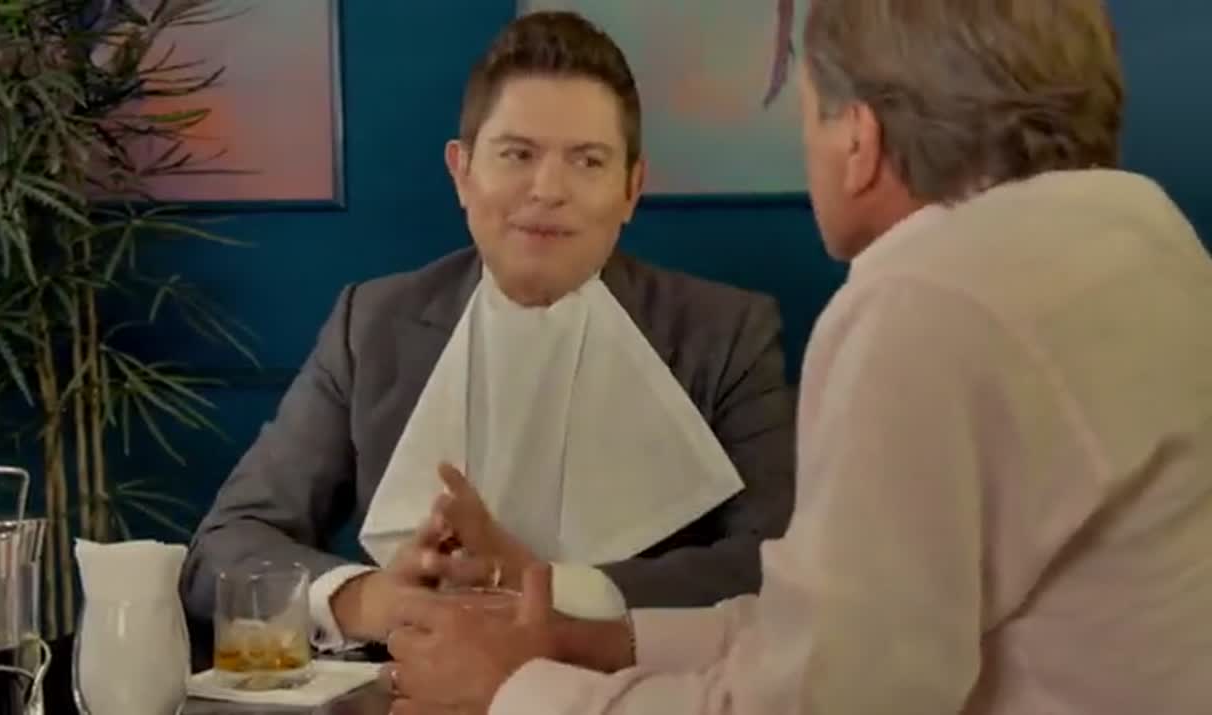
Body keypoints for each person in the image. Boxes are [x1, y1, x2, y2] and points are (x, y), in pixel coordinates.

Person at [381, 0, 1212, 713]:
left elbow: (823, 700)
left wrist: (513, 689)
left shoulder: (926, 298)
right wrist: (598, 639)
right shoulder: (1152, 243)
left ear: (859, 140)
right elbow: (843, 633)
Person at [179, 10, 797, 652]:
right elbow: (224, 545)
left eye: (588, 160)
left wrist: (544, 587)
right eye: (517, 155)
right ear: (462, 172)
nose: (548, 189)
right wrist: (372, 600)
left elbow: (780, 567)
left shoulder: (725, 335)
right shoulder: (373, 326)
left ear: (631, 189)